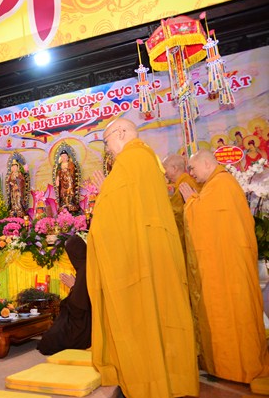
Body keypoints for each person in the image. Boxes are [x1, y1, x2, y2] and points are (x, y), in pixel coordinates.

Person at [87, 118, 198, 398]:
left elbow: (112, 212)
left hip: (137, 254)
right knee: (160, 313)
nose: (108, 149)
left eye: (107, 142)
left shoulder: (129, 160)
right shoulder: (150, 160)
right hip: (156, 249)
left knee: (139, 316)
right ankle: (169, 378)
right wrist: (109, 189)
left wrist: (103, 193)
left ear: (121, 133)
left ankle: (146, 382)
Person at [179, 149, 269, 385]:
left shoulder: (221, 185)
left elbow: (206, 220)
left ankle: (236, 367)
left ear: (207, 164)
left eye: (193, 168)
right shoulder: (216, 185)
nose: (191, 173)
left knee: (232, 313)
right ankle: (226, 365)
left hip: (227, 267)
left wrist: (192, 203)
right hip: (226, 264)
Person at [37, 235, 91, 355]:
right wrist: (76, 286)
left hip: (82, 325)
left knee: (50, 340)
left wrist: (73, 287)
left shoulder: (84, 269)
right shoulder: (86, 266)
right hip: (84, 319)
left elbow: (78, 307)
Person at [162, 154, 200, 255]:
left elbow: (176, 213)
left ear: (174, 168)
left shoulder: (184, 184)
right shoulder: (182, 182)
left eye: (165, 168)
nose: (164, 172)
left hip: (189, 234)